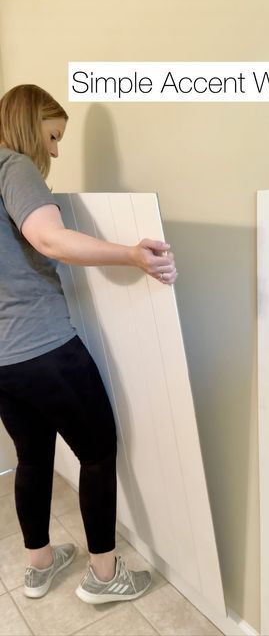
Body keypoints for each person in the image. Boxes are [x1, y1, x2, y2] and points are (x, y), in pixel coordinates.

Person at [0, 84, 178, 603]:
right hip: (44, 346)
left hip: (5, 362)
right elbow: (50, 238)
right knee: (98, 453)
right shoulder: (13, 166)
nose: (54, 151)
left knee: (32, 457)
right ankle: (105, 577)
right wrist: (131, 254)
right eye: (53, 136)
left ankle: (38, 566)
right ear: (31, 123)